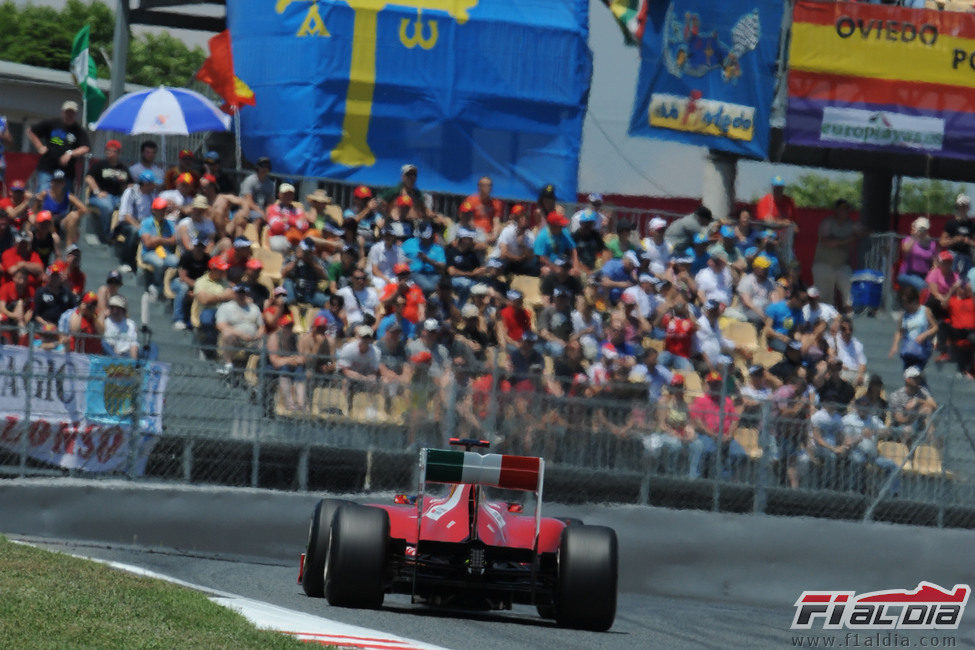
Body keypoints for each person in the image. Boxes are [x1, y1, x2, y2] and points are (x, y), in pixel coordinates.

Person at [688, 371, 746, 479]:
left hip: (726, 436)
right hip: (707, 435)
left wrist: (729, 435)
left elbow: (734, 419)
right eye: (712, 384)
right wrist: (713, 434)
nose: (714, 386)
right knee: (710, 451)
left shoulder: (727, 401)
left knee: (739, 454)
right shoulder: (700, 400)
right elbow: (697, 421)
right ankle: (704, 479)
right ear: (708, 385)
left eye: (717, 384)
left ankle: (726, 481)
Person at [27, 101, 90, 192]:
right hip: (47, 167)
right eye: (67, 111)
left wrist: (70, 153)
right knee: (43, 193)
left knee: (65, 196)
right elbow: (31, 131)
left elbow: (86, 147)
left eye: (72, 112)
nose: (69, 114)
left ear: (75, 114)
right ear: (63, 112)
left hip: (67, 171)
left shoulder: (79, 130)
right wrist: (39, 146)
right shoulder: (52, 123)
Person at [813, 199, 863, 309]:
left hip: (842, 265)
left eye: (846, 209)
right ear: (836, 210)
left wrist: (861, 233)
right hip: (823, 264)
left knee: (850, 291)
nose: (844, 211)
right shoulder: (828, 223)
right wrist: (849, 239)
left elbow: (864, 231)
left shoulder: (851, 224)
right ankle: (826, 321)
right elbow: (827, 242)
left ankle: (849, 318)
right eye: (841, 209)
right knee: (825, 299)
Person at [84, 140, 130, 243]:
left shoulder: (123, 168)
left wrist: (123, 184)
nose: (110, 153)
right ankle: (106, 235)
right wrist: (97, 191)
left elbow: (130, 184)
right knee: (107, 206)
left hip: (118, 197)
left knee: (127, 209)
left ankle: (118, 234)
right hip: (99, 197)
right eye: (108, 151)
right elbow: (88, 178)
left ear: (118, 153)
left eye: (113, 151)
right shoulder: (100, 164)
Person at [215, 285, 265, 376]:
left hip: (253, 339)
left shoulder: (254, 307)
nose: (241, 295)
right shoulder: (226, 307)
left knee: (267, 341)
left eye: (243, 293)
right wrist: (240, 334)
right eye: (238, 293)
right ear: (234, 293)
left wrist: (258, 335)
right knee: (227, 334)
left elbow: (261, 326)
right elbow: (221, 325)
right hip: (235, 338)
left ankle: (262, 372)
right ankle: (228, 365)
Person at [116, 171, 159, 272]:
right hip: (127, 224)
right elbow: (126, 215)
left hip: (146, 225)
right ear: (145, 184)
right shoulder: (130, 192)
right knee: (134, 231)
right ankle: (125, 262)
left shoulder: (152, 195)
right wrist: (141, 228)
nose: (155, 186)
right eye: (153, 184)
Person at [891, 285, 939, 370]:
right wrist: (895, 345)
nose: (905, 305)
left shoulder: (925, 311)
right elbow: (899, 331)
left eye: (906, 302)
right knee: (908, 376)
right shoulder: (904, 315)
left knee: (914, 376)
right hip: (909, 349)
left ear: (913, 300)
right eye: (903, 303)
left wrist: (924, 335)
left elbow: (935, 327)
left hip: (922, 348)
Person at [139, 197, 178, 299]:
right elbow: (147, 243)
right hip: (149, 253)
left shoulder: (170, 224)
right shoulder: (146, 222)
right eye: (159, 210)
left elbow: (174, 241)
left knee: (176, 261)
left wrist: (158, 240)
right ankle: (157, 284)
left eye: (163, 210)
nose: (161, 212)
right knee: (159, 263)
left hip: (165, 252)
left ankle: (168, 286)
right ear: (153, 210)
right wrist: (165, 240)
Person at [337, 325, 382, 410]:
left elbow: (373, 371)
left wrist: (370, 377)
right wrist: (364, 378)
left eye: (368, 337)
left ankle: (371, 409)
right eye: (363, 337)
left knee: (374, 381)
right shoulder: (348, 348)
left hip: (363, 375)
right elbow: (346, 371)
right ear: (358, 337)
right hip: (345, 375)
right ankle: (347, 408)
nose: (365, 340)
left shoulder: (375, 352)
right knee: (346, 382)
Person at [888, 366, 937, 444]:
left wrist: (918, 401)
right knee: (908, 430)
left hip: (916, 425)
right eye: (915, 378)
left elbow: (934, 405)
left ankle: (932, 444)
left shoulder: (922, 391)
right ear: (907, 379)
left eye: (919, 378)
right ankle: (904, 453)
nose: (919, 380)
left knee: (927, 409)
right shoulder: (896, 396)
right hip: (899, 427)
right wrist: (915, 414)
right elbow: (900, 419)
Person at [267, 314, 306, 410]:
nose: (288, 329)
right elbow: (275, 361)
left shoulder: (297, 338)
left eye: (290, 326)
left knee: (300, 371)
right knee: (284, 369)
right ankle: (289, 404)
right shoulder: (274, 337)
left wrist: (291, 360)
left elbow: (302, 358)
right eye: (286, 326)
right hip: (275, 369)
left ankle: (301, 404)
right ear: (280, 326)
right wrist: (290, 360)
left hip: (293, 366)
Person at [171, 236, 210, 331]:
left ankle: (201, 323)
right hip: (180, 282)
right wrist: (197, 287)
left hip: (198, 285)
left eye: (201, 247)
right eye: (197, 246)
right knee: (183, 288)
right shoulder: (187, 256)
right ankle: (178, 319)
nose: (199, 249)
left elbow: (208, 276)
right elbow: (183, 277)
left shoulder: (207, 258)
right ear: (194, 246)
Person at [926, 250, 959, 362]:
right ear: (940, 263)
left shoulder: (955, 276)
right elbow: (934, 292)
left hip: (948, 302)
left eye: (949, 262)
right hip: (937, 300)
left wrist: (947, 300)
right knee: (931, 303)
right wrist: (944, 299)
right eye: (945, 262)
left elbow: (957, 292)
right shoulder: (934, 273)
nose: (947, 265)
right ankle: (932, 328)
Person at [282, 238, 328, 308]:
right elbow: (283, 273)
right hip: (295, 291)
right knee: (287, 282)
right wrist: (296, 260)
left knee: (327, 301)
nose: (306, 253)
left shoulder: (316, 260)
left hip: (311, 293)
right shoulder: (291, 258)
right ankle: (292, 305)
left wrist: (311, 263)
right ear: (299, 248)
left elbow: (325, 276)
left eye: (309, 252)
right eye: (305, 251)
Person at [401, 220, 445, 293]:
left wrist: (428, 260)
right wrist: (406, 261)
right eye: (423, 237)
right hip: (415, 274)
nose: (425, 239)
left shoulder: (437, 248)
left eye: (427, 237)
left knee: (443, 286)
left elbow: (442, 266)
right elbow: (398, 257)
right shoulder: (409, 243)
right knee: (428, 287)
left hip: (433, 274)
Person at [896, 217, 937, 292]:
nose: (922, 231)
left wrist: (934, 275)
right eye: (920, 229)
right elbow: (905, 250)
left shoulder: (932, 244)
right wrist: (914, 236)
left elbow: (935, 262)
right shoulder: (908, 240)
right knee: (923, 286)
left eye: (924, 229)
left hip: (924, 275)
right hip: (907, 274)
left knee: (934, 287)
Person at [495, 206, 538, 276]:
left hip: (520, 262)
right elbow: (503, 253)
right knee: (503, 263)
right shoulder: (508, 231)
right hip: (506, 259)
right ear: (517, 223)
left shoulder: (530, 236)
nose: (523, 230)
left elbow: (531, 256)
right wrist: (516, 258)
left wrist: (522, 246)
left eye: (525, 228)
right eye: (521, 227)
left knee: (533, 264)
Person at [736, 255, 777, 329]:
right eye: (763, 269)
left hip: (765, 313)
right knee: (757, 318)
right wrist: (762, 315)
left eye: (767, 269)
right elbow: (747, 302)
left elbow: (774, 300)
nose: (766, 271)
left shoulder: (770, 282)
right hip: (748, 313)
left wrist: (773, 314)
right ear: (756, 268)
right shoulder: (747, 281)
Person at [32, 262, 74, 330]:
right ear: (48, 277)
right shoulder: (41, 292)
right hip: (44, 326)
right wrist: (48, 325)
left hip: (63, 327)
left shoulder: (67, 293)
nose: (55, 278)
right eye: (52, 276)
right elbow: (36, 315)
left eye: (57, 276)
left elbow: (73, 311)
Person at [947, 279, 975, 378]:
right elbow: (943, 304)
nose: (963, 290)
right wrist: (951, 290)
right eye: (961, 287)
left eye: (964, 288)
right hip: (957, 331)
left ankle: (969, 370)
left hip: (970, 331)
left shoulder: (971, 300)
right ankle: (964, 369)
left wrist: (970, 292)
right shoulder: (952, 300)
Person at [828, 316, 867, 386]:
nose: (847, 332)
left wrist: (860, 375)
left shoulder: (857, 344)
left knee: (866, 379)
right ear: (840, 329)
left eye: (850, 329)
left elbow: (862, 363)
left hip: (855, 372)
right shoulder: (834, 340)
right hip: (841, 371)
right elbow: (830, 355)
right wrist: (839, 364)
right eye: (844, 329)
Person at [764, 288, 806, 353]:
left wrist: (799, 338)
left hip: (788, 338)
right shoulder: (775, 307)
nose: (802, 306)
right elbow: (767, 329)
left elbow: (798, 331)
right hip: (774, 338)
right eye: (801, 303)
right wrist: (781, 336)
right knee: (788, 351)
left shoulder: (798, 312)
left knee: (803, 349)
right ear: (794, 299)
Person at [941, 194, 974, 275]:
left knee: (966, 281)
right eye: (961, 206)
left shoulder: (972, 225)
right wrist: (955, 240)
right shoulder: (950, 223)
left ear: (968, 207)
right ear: (957, 207)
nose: (963, 208)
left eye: (965, 206)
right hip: (952, 256)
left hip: (967, 256)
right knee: (951, 279)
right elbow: (942, 242)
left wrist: (968, 241)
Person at [0, 267, 34, 343]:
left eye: (24, 279)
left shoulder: (30, 291)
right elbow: (1, 308)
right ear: (14, 278)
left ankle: (21, 347)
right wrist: (13, 315)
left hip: (20, 318)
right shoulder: (6, 287)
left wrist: (23, 321)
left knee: (20, 303)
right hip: (6, 316)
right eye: (19, 278)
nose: (22, 282)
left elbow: (30, 310)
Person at [465, 176, 504, 240]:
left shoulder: (496, 203)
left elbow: (496, 221)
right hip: (474, 233)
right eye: (484, 185)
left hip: (490, 234)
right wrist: (483, 235)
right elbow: (469, 221)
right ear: (479, 187)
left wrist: (494, 235)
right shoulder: (470, 200)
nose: (488, 187)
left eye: (489, 185)